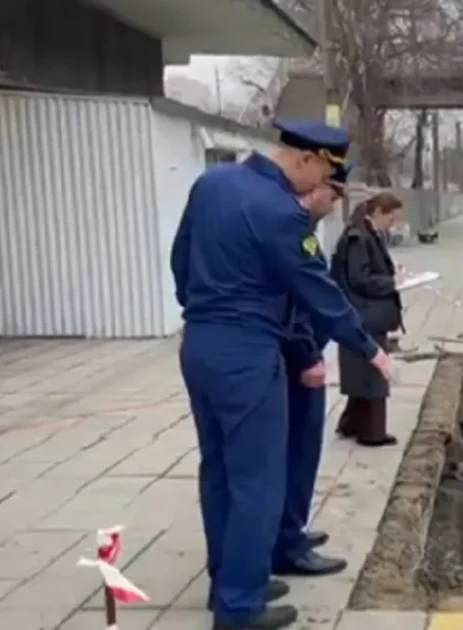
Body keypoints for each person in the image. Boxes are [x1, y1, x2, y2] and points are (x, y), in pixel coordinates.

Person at [171, 119, 391, 630]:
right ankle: (240, 607)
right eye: (321, 175)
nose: (317, 188)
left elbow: (181, 260)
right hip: (246, 353)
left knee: (220, 472)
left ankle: (226, 582)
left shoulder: (212, 184)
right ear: (307, 159)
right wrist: (367, 346)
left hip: (199, 343)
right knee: (258, 482)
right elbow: (316, 288)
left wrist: (202, 308)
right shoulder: (277, 211)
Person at [271, 163, 353, 578]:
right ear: (314, 186)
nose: (336, 204)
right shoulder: (290, 229)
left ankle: (289, 530)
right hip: (298, 364)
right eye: (333, 194)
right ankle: (287, 543)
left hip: (302, 357)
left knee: (302, 452)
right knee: (297, 453)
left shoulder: (299, 229)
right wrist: (307, 356)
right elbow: (293, 301)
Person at [330, 192, 405, 447]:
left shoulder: (362, 232)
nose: (393, 224)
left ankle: (351, 423)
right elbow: (359, 279)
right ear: (379, 213)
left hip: (363, 313)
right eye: (391, 218)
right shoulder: (358, 237)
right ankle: (372, 433)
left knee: (360, 372)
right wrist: (392, 283)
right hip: (365, 313)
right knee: (374, 374)